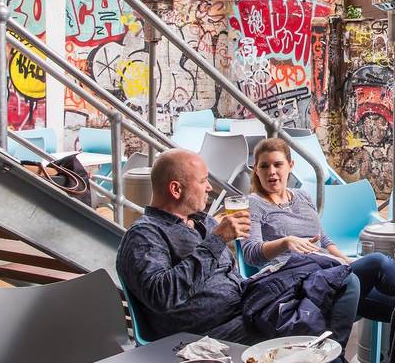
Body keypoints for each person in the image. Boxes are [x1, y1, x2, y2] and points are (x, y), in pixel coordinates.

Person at [115, 149, 360, 352]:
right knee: (313, 318)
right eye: (202, 181)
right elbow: (162, 295)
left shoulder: (204, 222)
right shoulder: (145, 235)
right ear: (176, 190)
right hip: (208, 332)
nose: (209, 187)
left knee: (336, 278)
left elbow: (230, 274)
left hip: (247, 305)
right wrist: (217, 240)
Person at [241, 138, 395, 322]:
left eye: (278, 164)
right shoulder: (253, 203)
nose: (272, 172)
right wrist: (285, 242)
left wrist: (346, 260)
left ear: (291, 166)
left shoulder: (302, 196)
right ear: (256, 170)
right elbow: (251, 253)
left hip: (330, 272)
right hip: (297, 282)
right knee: (378, 262)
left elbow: (323, 240)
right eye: (264, 166)